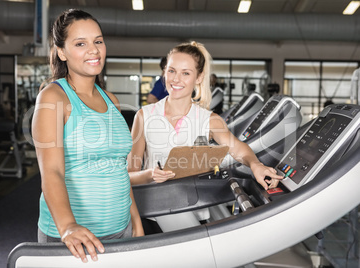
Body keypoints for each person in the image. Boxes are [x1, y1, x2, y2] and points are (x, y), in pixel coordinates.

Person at [32, 9, 144, 263]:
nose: (93, 50)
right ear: (62, 52)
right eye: (80, 43)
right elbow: (52, 172)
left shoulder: (111, 100)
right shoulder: (53, 97)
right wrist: (68, 226)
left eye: (98, 41)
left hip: (120, 230)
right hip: (74, 238)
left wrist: (135, 220)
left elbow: (118, 169)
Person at [127, 41, 283, 220]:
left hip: (195, 214)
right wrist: (149, 175)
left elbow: (238, 149)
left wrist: (256, 166)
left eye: (186, 73)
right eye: (171, 71)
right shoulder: (144, 115)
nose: (176, 79)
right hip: (156, 215)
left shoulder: (209, 120)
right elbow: (129, 175)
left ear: (199, 77)